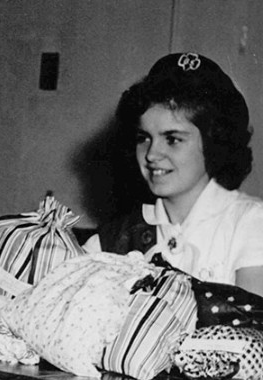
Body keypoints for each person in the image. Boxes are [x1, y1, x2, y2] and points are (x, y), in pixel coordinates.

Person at [87, 51, 263, 296]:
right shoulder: (112, 239)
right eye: (143, 138)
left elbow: (252, 327)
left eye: (172, 139)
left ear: (215, 143)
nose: (151, 154)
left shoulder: (251, 224)